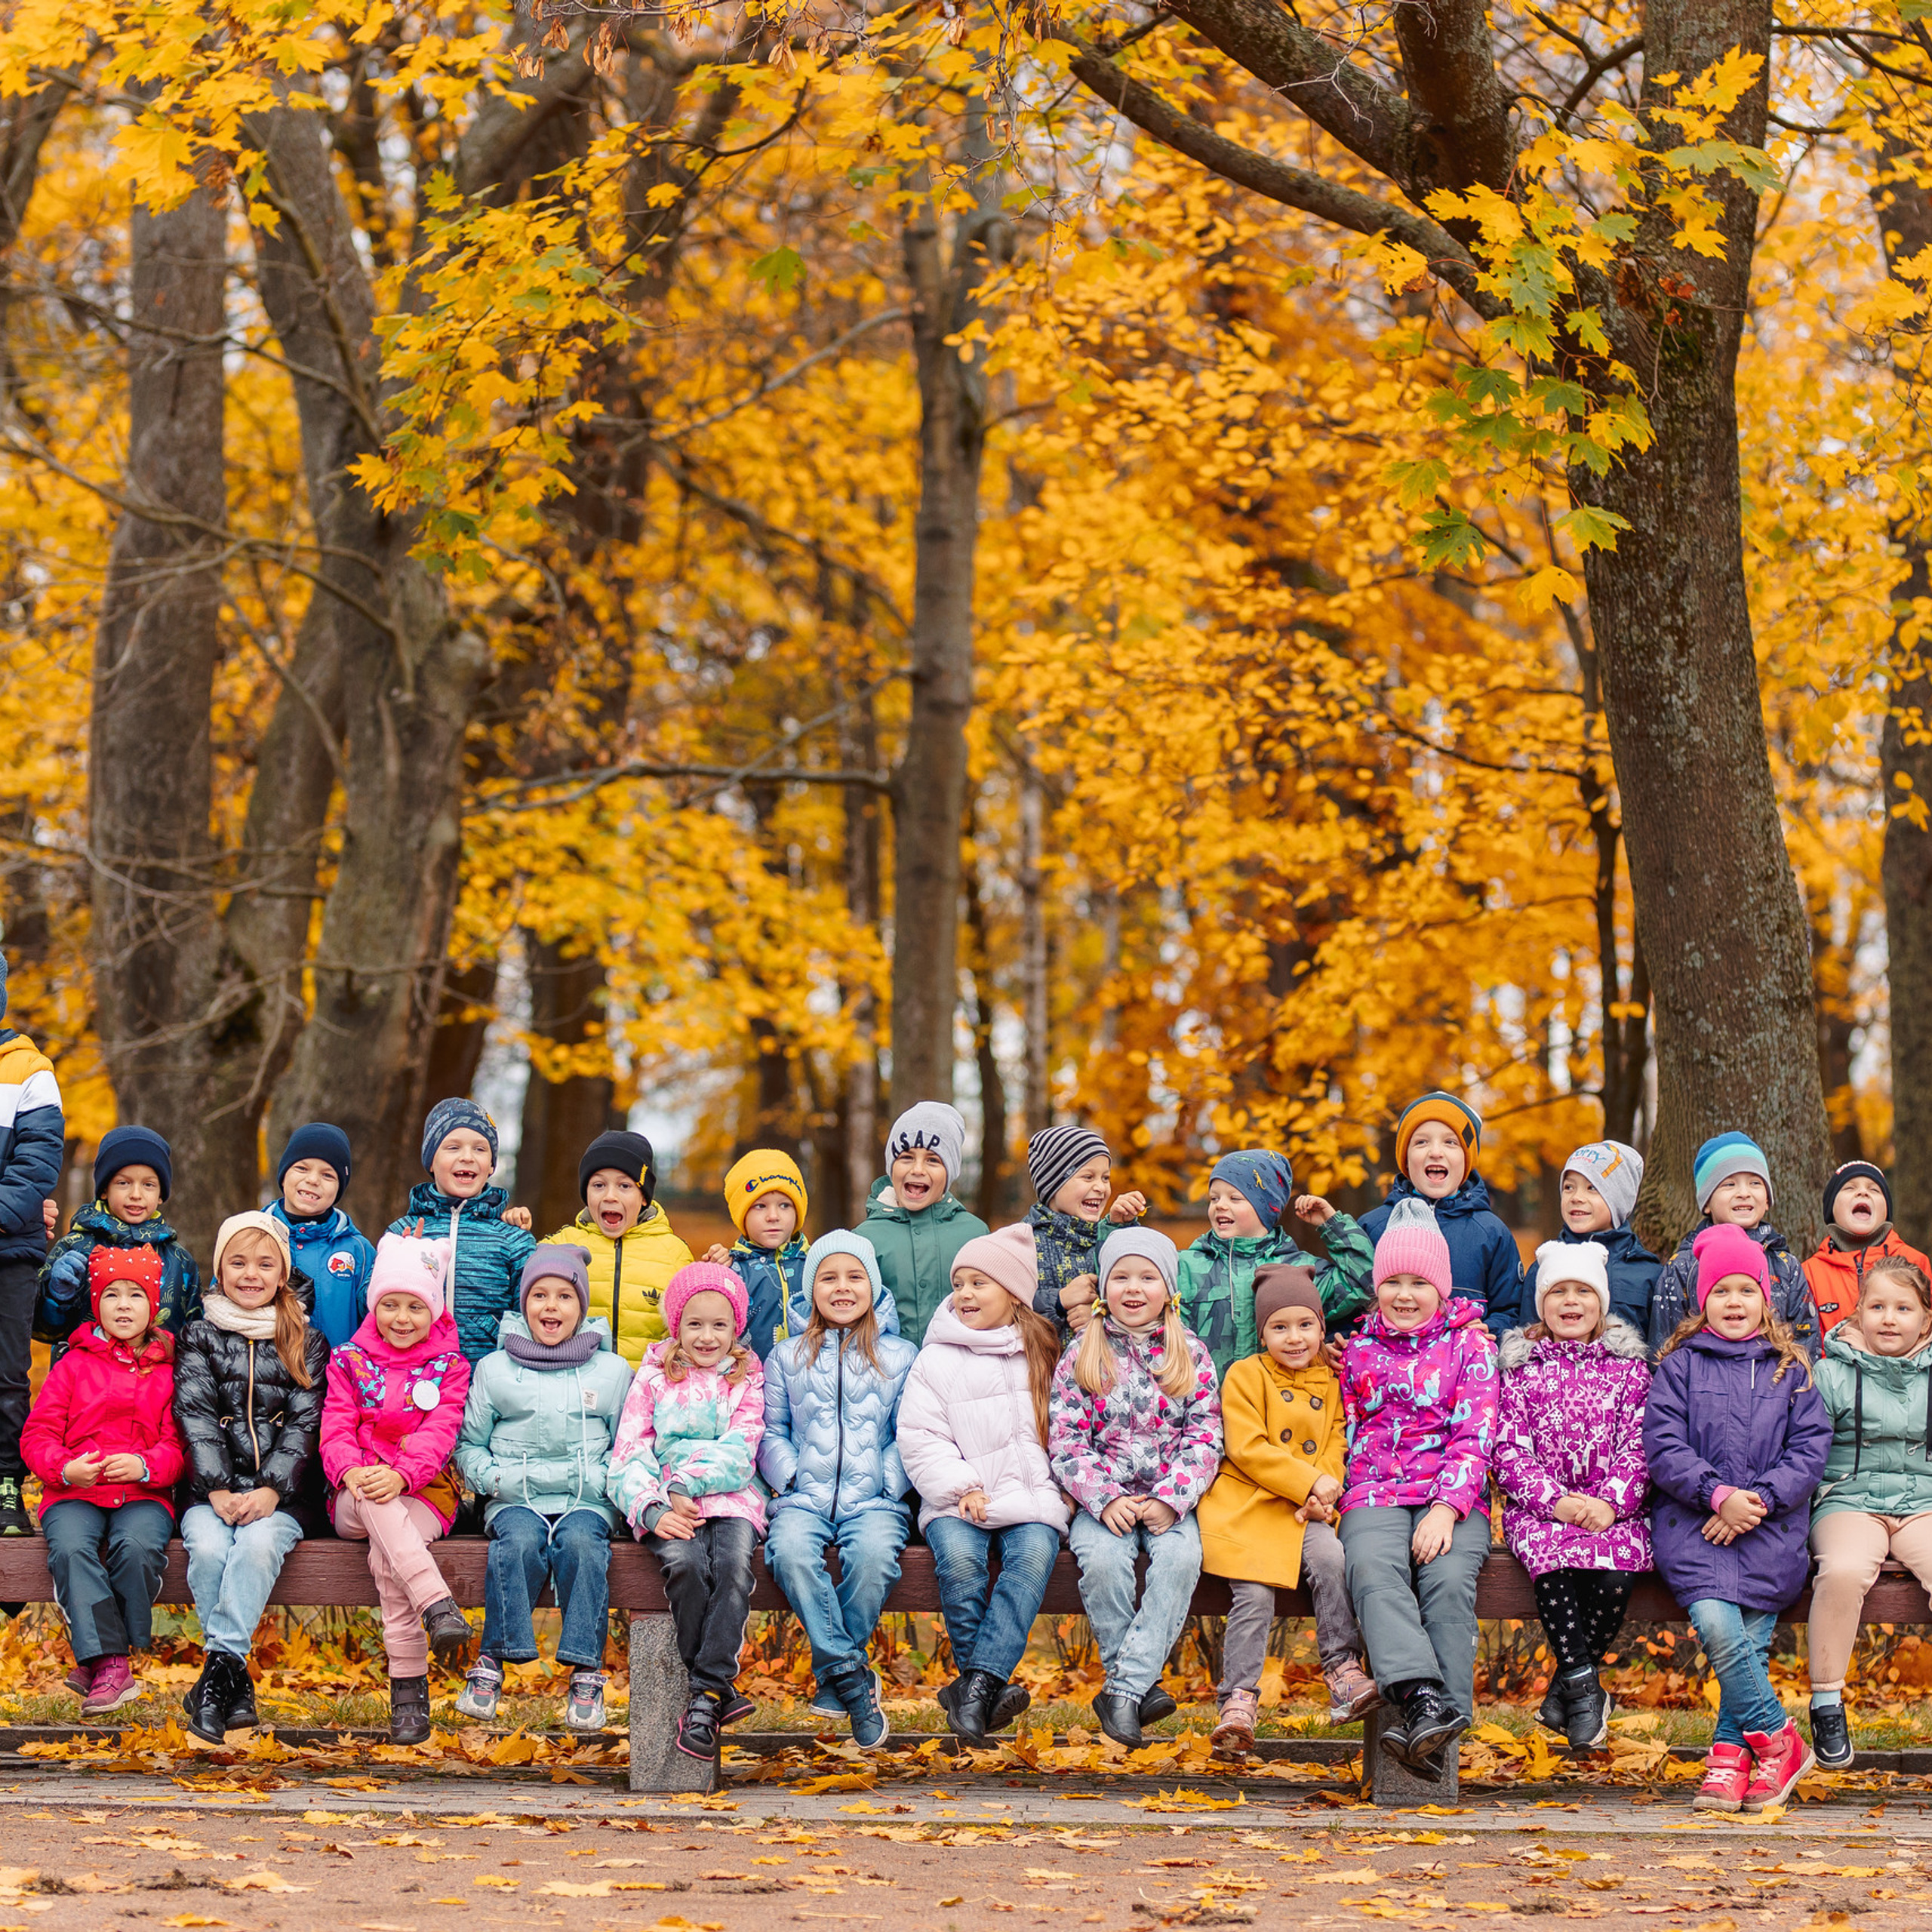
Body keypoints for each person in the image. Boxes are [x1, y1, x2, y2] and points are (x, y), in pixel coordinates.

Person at [1645, 1223, 1831, 1812]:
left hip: (1770, 1528)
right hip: (1696, 1527)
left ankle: (1728, 1759)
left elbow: (1809, 1449)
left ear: (1765, 1299)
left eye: (1745, 1291)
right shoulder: (1679, 1367)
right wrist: (1715, 1494)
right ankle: (1780, 1741)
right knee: (1723, 1631)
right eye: (1720, 1291)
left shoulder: (1790, 1369)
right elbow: (1664, 1446)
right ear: (1702, 1302)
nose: (1733, 1302)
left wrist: (1756, 1501)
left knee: (1747, 1643)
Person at [1337, 1197, 1500, 1771]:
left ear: (1442, 1288)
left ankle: (1437, 1730)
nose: (1404, 1295)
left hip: (1451, 1496)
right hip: (1374, 1493)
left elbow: (1476, 1431)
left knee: (1450, 1580)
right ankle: (1423, 1701)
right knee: (1373, 1569)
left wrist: (1447, 1507)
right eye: (1393, 1282)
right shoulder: (1355, 1349)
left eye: (1419, 1283)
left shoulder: (1471, 1346)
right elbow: (1343, 1431)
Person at [1051, 1228, 1223, 1749]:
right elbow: (1065, 1437)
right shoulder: (1083, 1351)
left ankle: (1122, 1688)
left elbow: (1206, 1433)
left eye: (1147, 1277)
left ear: (1167, 1289)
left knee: (1178, 1561)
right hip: (1102, 1502)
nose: (1133, 1288)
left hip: (1171, 1500)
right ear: (1104, 1287)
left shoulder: (1189, 1351)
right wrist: (1104, 1498)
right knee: (1102, 1564)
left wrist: (1172, 1498)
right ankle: (1136, 1690)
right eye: (1120, 1276)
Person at [897, 1222, 1067, 1744]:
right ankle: (987, 1686)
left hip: (1030, 1495)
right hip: (958, 1501)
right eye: (960, 1284)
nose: (965, 1294)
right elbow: (920, 1435)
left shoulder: (1041, 1349)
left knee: (1034, 1555)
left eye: (979, 1283)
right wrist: (961, 1486)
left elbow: (1063, 1425)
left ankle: (974, 1685)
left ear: (1014, 1294)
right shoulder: (937, 1357)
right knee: (962, 1560)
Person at [1197, 1263, 1376, 1757]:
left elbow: (1337, 1442)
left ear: (1323, 1328)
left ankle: (1342, 1669)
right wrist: (1308, 1482)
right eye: (1279, 1327)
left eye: (1305, 1325)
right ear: (1263, 1334)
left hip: (1307, 1513)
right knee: (1253, 1593)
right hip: (1250, 1506)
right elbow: (1248, 1446)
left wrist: (1325, 1489)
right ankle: (1238, 1699)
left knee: (1330, 1561)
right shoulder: (1246, 1375)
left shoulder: (1330, 1381)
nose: (1294, 1338)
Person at [454, 1244, 635, 1731]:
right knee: (515, 1545)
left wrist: (601, 1482)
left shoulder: (612, 1371)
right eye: (539, 1295)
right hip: (514, 1498)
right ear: (523, 1303)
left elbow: (629, 1445)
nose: (551, 1307)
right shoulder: (494, 1369)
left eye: (564, 1296)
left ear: (582, 1307)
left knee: (581, 1546)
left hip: (588, 1501)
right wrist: (497, 1480)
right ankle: (494, 1662)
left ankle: (586, 1673)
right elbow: (469, 1446)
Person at [172, 1211, 329, 1744]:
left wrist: (271, 1490)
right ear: (218, 1270)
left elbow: (305, 1425)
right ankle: (232, 1686)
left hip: (282, 1499)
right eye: (237, 1262)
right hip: (208, 1493)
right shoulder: (198, 1334)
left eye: (265, 1264)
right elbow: (193, 1414)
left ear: (282, 1274)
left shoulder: (306, 1340)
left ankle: (214, 1682)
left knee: (259, 1545)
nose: (251, 1274)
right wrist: (215, 1487)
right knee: (211, 1550)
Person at [1493, 1239, 1652, 1752]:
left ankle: (1569, 1687)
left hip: (1612, 1509)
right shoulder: (1521, 1369)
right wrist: (1555, 1502)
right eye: (1558, 1291)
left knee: (1613, 1572)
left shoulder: (1628, 1370)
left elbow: (1640, 1445)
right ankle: (1585, 1689)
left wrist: (1610, 1503)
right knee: (1553, 1561)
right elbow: (1508, 1449)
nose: (1571, 1302)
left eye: (1583, 1291)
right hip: (1543, 1510)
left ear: (1601, 1302)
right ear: (1542, 1303)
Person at [759, 1232, 917, 1747]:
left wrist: (887, 1483)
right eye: (828, 1278)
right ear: (812, 1290)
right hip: (803, 1496)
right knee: (789, 1553)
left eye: (854, 1277)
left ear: (872, 1286)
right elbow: (771, 1430)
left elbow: (910, 1430)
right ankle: (852, 1675)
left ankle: (834, 1676)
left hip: (874, 1499)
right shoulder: (786, 1357)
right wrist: (790, 1477)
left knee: (873, 1556)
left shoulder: (901, 1356)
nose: (842, 1288)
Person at [607, 1261, 766, 1761]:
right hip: (661, 1499)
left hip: (731, 1496)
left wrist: (685, 1483)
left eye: (720, 1325)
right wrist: (653, 1509)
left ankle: (705, 1695)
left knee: (734, 1568)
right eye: (694, 1324)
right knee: (686, 1564)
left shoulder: (747, 1375)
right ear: (676, 1325)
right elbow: (629, 1452)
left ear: (736, 1327)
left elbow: (743, 1448)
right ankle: (717, 1690)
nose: (707, 1336)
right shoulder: (654, 1376)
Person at [319, 1232, 474, 1743]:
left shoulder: (451, 1367)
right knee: (372, 1500)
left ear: (433, 1310)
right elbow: (335, 1427)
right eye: (390, 1305)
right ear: (374, 1305)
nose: (402, 1318)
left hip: (426, 1493)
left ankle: (408, 1694)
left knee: (388, 1557)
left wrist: (404, 1474)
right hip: (353, 1491)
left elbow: (440, 1432)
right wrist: (352, 1471)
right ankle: (436, 1605)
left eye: (415, 1306)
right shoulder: (348, 1360)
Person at [23, 1246, 184, 1712]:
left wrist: (146, 1466)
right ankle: (114, 1662)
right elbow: (38, 1435)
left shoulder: (168, 1371)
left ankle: (98, 1659)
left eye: (136, 1295)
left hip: (141, 1494)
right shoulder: (73, 1364)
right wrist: (65, 1468)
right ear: (96, 1305)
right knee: (72, 1549)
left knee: (136, 1549)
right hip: (74, 1491)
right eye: (111, 1295)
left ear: (153, 1305)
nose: (123, 1305)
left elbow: (179, 1448)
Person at [1806, 1256, 1932, 1769]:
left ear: (1925, 1318)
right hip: (1849, 1499)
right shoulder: (1832, 1373)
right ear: (1858, 1314)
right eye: (1877, 1306)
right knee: (1843, 1571)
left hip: (1923, 1504)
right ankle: (1826, 1700)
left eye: (1903, 1308)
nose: (1889, 1318)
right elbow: (1807, 1449)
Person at [1176, 1149, 1374, 1375]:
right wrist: (1126, 1226)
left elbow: (1363, 1281)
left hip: (1278, 1406)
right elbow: (1134, 1288)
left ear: (1265, 1208)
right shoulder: (1186, 1267)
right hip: (1203, 1406)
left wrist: (1332, 1225)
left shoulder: (1298, 1270)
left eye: (1235, 1198)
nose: (1220, 1205)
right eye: (1214, 1198)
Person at [706, 1149, 898, 1359]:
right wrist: (710, 1274)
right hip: (750, 1380)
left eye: (784, 1205)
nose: (773, 1216)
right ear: (741, 1214)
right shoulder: (732, 1271)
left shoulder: (818, 1265)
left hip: (810, 1376)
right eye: (760, 1206)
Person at [1359, 1094, 1520, 1338]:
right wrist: (1339, 1336)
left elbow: (1513, 1308)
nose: (1435, 1152)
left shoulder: (1490, 1231)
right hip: (1386, 1370)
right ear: (1405, 1157)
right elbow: (1348, 1304)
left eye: (1450, 1143)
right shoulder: (1374, 1227)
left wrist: (1493, 1328)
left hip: (1465, 1369)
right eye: (1422, 1142)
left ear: (1467, 1159)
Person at [391, 1099, 537, 1366]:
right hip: (415, 1373)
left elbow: (529, 1316)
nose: (467, 1157)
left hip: (487, 1377)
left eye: (480, 1149)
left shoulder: (513, 1239)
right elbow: (374, 1303)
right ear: (431, 1162)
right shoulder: (404, 1232)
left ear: (492, 1165)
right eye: (453, 1147)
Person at [1647, 1133, 1817, 1358]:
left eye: (1755, 1183)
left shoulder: (1785, 1265)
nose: (1744, 1193)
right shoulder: (1685, 1266)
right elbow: (1663, 1346)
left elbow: (1806, 1339)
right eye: (1729, 1184)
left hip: (1772, 1387)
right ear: (1707, 1202)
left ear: (1767, 1200)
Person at [0, 948, 64, 1535]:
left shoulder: (28, 1069)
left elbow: (37, 1163)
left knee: (7, 1375)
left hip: (8, 1252)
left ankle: (3, 1489)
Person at [38, 1126, 200, 1352]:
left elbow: (194, 1338)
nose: (136, 1194)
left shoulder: (179, 1260)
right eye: (123, 1183)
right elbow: (42, 1329)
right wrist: (55, 1296)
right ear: (104, 1189)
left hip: (155, 1383)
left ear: (161, 1194)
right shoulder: (74, 1247)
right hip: (84, 1382)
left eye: (148, 1185)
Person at [546, 1128, 692, 1368]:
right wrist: (513, 1229)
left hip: (647, 1389)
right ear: (586, 1194)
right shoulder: (561, 1247)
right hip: (577, 1389)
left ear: (644, 1197)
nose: (610, 1196)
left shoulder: (674, 1254)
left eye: (624, 1186)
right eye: (599, 1185)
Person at [860, 1103, 990, 1342]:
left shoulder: (974, 1232)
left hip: (958, 1370)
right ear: (891, 1167)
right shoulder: (865, 1238)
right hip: (887, 1372)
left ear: (949, 1171)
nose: (917, 1169)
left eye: (932, 1160)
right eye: (906, 1158)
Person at [1518, 1138, 1660, 1339]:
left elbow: (1658, 1348)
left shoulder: (1647, 1272)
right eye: (1569, 1187)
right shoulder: (1545, 1265)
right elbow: (1528, 1336)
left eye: (1592, 1188)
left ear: (1619, 1199)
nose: (1576, 1197)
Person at [1023, 1126, 1147, 1344]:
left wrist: (1101, 1316)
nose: (1100, 1187)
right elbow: (1004, 1311)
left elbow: (1145, 1298)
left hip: (1107, 1373)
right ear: (1053, 1184)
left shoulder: (1108, 1240)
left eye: (1105, 1178)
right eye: (1088, 1177)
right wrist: (1059, 1301)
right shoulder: (1022, 1242)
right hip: (1042, 1374)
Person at [267, 1122, 376, 1349]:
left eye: (328, 1175)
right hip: (265, 1378)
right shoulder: (252, 1236)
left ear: (339, 1188)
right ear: (284, 1174)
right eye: (302, 1168)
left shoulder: (358, 1250)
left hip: (337, 1379)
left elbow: (377, 1318)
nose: (313, 1180)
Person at [1804, 1160, 1930, 1341]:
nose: (1862, 1192)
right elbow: (1808, 1344)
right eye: (1849, 1188)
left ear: (1887, 1209)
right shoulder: (1810, 1272)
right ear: (1831, 1208)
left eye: (1874, 1190)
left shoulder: (1915, 1261)